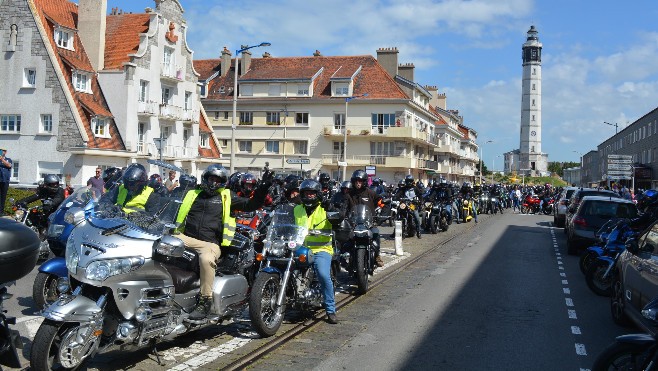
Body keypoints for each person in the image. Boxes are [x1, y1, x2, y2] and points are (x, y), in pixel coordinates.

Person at [175, 164, 272, 321]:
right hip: (185, 238)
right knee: (157, 245)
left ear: (223, 182)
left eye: (217, 180)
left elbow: (251, 204)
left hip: (210, 243)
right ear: (205, 178)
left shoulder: (227, 196)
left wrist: (263, 187)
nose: (213, 183)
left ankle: (204, 301)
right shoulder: (192, 193)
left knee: (206, 259)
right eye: (211, 179)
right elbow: (168, 203)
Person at [295, 179, 339, 324]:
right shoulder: (297, 209)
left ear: (318, 194)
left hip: (321, 249)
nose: (309, 196)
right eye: (306, 193)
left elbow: (339, 217)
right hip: (299, 248)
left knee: (322, 274)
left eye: (312, 194)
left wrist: (331, 208)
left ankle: (330, 309)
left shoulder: (324, 208)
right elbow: (285, 224)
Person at [346, 170, 384, 267]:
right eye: (356, 181)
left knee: (376, 234)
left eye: (360, 181)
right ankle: (345, 257)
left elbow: (382, 203)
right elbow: (342, 204)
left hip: (368, 223)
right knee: (345, 238)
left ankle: (376, 255)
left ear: (364, 182)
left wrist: (380, 217)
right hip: (353, 224)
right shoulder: (349, 194)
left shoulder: (371, 193)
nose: (358, 183)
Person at [0, 148, 12, 215]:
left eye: (3, 151)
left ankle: (1, 211)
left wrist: (2, 159)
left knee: (3, 196)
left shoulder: (8, 159)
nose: (2, 152)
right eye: (0, 150)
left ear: (5, 152)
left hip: (5, 180)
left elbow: (9, 165)